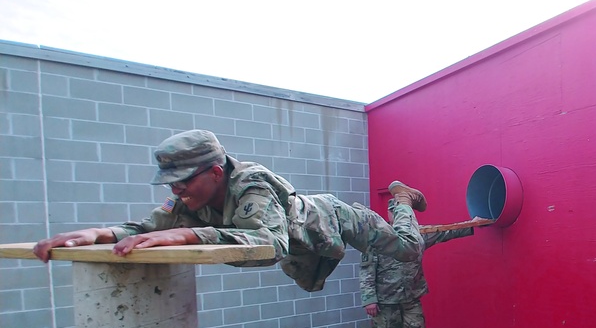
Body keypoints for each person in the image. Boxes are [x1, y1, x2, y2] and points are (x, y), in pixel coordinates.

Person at [32, 129, 426, 292]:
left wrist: (188, 234)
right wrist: (98, 234)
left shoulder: (250, 184)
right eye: (171, 181)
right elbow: (147, 227)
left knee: (409, 249)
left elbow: (269, 244)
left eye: (184, 179)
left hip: (337, 218)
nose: (176, 188)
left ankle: (402, 198)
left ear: (216, 172)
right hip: (313, 241)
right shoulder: (189, 199)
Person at [362, 213, 490, 328]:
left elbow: (444, 232)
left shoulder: (417, 235)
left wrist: (474, 224)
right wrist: (369, 298)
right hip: (385, 300)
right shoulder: (378, 236)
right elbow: (366, 269)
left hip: (411, 297)